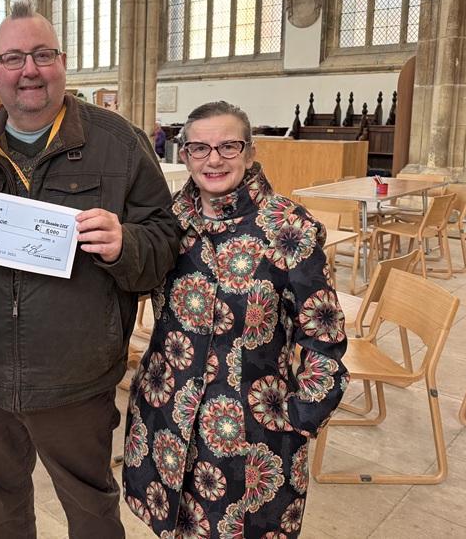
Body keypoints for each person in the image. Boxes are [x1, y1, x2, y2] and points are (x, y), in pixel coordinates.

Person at [0, 0, 179, 538]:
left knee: (90, 510)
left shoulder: (119, 145)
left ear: (63, 63)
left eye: (43, 55)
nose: (30, 70)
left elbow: (165, 244)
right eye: (14, 57)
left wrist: (124, 244)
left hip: (77, 375)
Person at [122, 101, 348, 538]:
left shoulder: (288, 227)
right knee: (171, 525)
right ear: (183, 154)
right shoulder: (169, 221)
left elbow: (324, 338)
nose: (214, 159)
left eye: (228, 146)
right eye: (200, 148)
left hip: (250, 431)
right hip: (167, 414)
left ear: (249, 152)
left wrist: (300, 419)